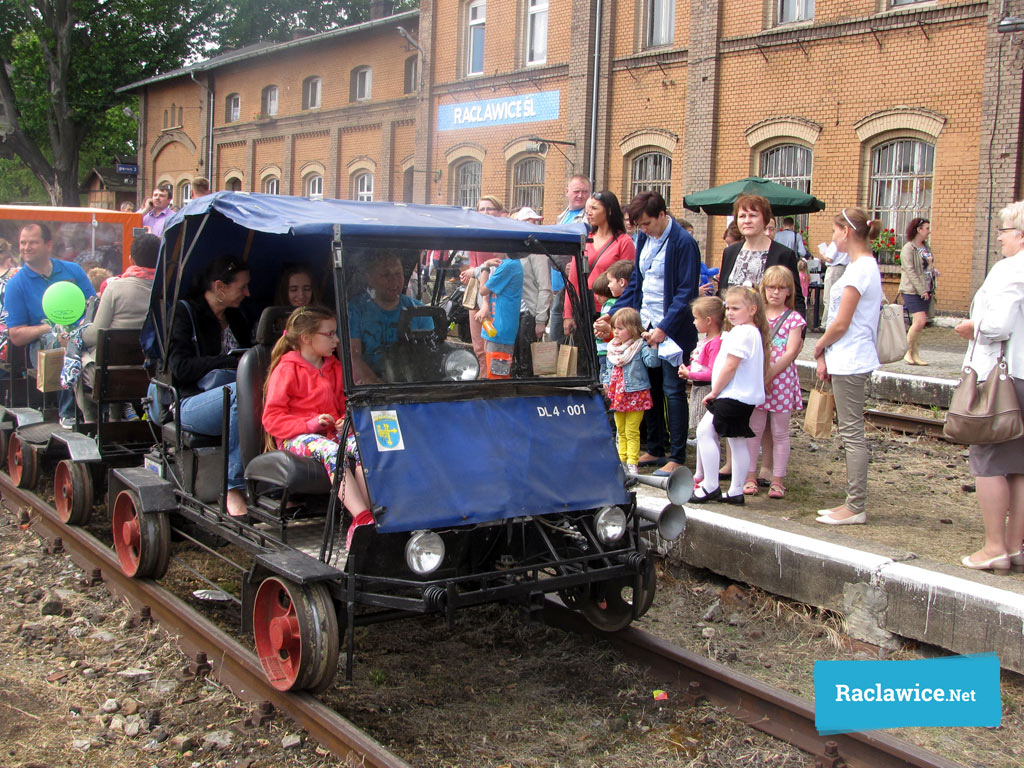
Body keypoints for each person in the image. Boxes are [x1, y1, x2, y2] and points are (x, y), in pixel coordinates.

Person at [595, 190, 701, 476]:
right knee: (647, 387)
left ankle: (676, 455)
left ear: (662, 215)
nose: (643, 230)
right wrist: (613, 314)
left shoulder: (683, 242)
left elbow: (685, 293)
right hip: (646, 326)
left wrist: (664, 328)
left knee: (671, 389)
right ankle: (655, 446)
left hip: (672, 329)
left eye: (647, 224)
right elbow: (636, 285)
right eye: (640, 226)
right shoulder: (644, 238)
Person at [262, 305, 374, 549]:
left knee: (367, 447)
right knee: (332, 451)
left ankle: (367, 519)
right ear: (306, 338)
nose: (336, 339)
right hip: (297, 437)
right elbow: (272, 418)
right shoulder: (286, 369)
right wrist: (308, 424)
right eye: (330, 334)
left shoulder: (334, 368)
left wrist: (347, 418)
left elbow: (344, 404)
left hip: (333, 434)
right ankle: (363, 518)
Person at [954, 202, 1024, 570]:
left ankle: (994, 545)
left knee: (989, 460)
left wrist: (972, 328)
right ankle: (1014, 546)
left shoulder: (1010, 269)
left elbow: (999, 325)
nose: (999, 236)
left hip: (1005, 377)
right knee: (1020, 465)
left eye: (1006, 230)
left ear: (1022, 235)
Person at [812, 208, 883, 525]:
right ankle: (853, 502)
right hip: (848, 357)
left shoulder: (859, 270)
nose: (832, 238)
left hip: (851, 357)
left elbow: (841, 323)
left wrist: (820, 344)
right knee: (851, 431)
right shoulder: (862, 266)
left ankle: (856, 505)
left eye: (835, 231)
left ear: (846, 232)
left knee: (852, 433)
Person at [168, 255, 251, 517]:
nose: (247, 293)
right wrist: (227, 362)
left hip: (229, 399)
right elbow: (179, 368)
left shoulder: (237, 317)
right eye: (242, 287)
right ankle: (233, 487)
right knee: (242, 394)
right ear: (219, 287)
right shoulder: (185, 313)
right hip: (189, 401)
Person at [5, 223, 97, 427]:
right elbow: (16, 335)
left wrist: (79, 328)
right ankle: (68, 412)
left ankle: (116, 405)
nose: (26, 247)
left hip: (80, 336)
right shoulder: (16, 284)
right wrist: (51, 328)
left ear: (48, 245)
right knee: (57, 340)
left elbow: (93, 305)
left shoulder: (71, 270)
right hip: (43, 348)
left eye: (32, 242)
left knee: (107, 339)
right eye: (22, 243)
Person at [692, 286, 768, 505]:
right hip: (742, 396)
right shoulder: (749, 332)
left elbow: (731, 365)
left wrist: (715, 392)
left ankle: (710, 485)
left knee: (705, 432)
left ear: (753, 309)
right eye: (728, 308)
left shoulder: (743, 332)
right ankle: (734, 490)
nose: (730, 312)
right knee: (736, 441)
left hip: (733, 395)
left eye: (736, 308)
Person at [76, 233, 159, 421]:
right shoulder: (167, 289)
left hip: (112, 376)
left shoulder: (115, 288)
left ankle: (89, 419)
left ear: (131, 259)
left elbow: (94, 335)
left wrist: (77, 334)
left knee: (76, 357)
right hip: (153, 374)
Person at [745, 266, 805, 499]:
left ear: (789, 292)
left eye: (781, 288)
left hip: (780, 379)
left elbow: (791, 351)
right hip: (759, 376)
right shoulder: (757, 316)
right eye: (771, 287)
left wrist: (769, 373)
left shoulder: (794, 319)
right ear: (764, 288)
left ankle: (777, 478)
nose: (775, 293)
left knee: (780, 432)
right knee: (755, 429)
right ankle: (750, 475)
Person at [718, 195, 806, 319]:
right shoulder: (730, 252)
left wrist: (798, 333)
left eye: (753, 215)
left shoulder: (783, 254)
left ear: (765, 219)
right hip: (731, 329)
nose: (747, 220)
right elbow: (721, 293)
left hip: (767, 330)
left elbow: (796, 298)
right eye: (742, 216)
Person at [563, 190, 634, 335]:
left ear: (609, 211)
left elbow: (629, 282)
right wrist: (568, 314)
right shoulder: (584, 239)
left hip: (611, 311)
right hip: (583, 309)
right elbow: (573, 279)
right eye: (588, 209)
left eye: (594, 209)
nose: (589, 213)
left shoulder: (623, 242)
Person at [349, 251, 425, 384]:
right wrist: (378, 387)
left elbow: (429, 355)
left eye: (398, 274)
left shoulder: (419, 310)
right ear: (369, 278)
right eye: (386, 275)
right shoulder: (354, 310)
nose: (394, 281)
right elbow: (352, 356)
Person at [602, 308, 657, 475]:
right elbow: (608, 370)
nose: (616, 332)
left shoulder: (639, 347)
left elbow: (653, 363)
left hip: (635, 394)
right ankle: (621, 460)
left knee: (632, 430)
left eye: (620, 328)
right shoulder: (612, 348)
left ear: (633, 329)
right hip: (617, 396)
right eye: (615, 328)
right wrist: (605, 383)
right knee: (620, 430)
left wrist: (653, 346)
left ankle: (632, 462)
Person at [678, 295, 724, 490]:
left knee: (708, 433)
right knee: (700, 433)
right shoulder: (706, 340)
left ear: (708, 320)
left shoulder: (716, 343)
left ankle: (705, 473)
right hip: (698, 388)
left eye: (696, 318)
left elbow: (713, 371)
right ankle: (700, 471)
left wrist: (690, 373)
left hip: (707, 389)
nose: (694, 322)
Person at [460, 196, 506, 371]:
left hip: (492, 291)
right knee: (477, 342)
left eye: (490, 209)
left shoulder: (500, 235)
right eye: (482, 209)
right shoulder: (474, 232)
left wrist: (475, 270)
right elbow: (472, 263)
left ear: (499, 212)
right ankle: (482, 376)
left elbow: (497, 263)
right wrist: (468, 273)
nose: (486, 213)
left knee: (490, 340)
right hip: (475, 290)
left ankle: (491, 379)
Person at [549, 176, 592, 344]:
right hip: (558, 282)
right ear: (567, 192)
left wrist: (578, 265)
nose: (580, 195)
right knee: (556, 332)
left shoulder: (588, 219)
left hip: (573, 284)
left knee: (564, 335)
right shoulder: (563, 216)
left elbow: (589, 249)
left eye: (585, 192)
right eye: (576, 191)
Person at [511, 207, 552, 377]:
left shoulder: (537, 253)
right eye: (528, 221)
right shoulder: (511, 250)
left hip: (529, 312)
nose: (533, 224)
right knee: (513, 358)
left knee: (526, 361)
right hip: (512, 311)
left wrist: (541, 320)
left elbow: (545, 287)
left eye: (535, 221)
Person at [475, 255, 523, 379]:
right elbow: (489, 289)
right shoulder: (505, 264)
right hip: (493, 327)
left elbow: (483, 290)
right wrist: (485, 304)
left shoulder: (509, 265)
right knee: (490, 374)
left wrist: (485, 267)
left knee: (497, 378)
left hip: (500, 332)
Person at [900, 217, 932, 366]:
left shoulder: (925, 248)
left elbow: (925, 268)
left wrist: (933, 272)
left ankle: (915, 353)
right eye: (926, 228)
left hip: (926, 288)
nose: (928, 231)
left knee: (920, 323)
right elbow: (910, 271)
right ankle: (906, 351)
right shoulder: (908, 248)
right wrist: (921, 290)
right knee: (919, 321)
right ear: (918, 230)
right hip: (911, 290)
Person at [821, 237, 849, 324]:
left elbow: (830, 258)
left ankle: (826, 323)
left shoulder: (837, 242)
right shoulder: (849, 242)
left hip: (834, 269)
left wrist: (822, 254)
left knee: (829, 297)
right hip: (845, 268)